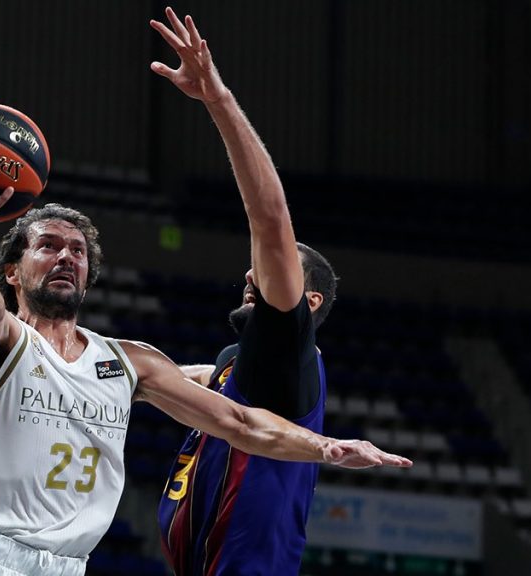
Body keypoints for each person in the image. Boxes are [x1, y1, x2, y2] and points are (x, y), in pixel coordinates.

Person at [0, 111, 408, 576]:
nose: (66, 256)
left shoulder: (127, 362)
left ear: (89, 273)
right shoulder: (2, 342)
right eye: (49, 245)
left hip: (66, 565)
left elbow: (237, 420)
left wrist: (327, 446)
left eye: (78, 250)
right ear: (12, 271)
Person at [149, 8, 411, 575]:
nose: (251, 275)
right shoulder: (235, 364)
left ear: (307, 301)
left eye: (271, 273)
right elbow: (164, 375)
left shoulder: (286, 348)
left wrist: (217, 101)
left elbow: (269, 218)